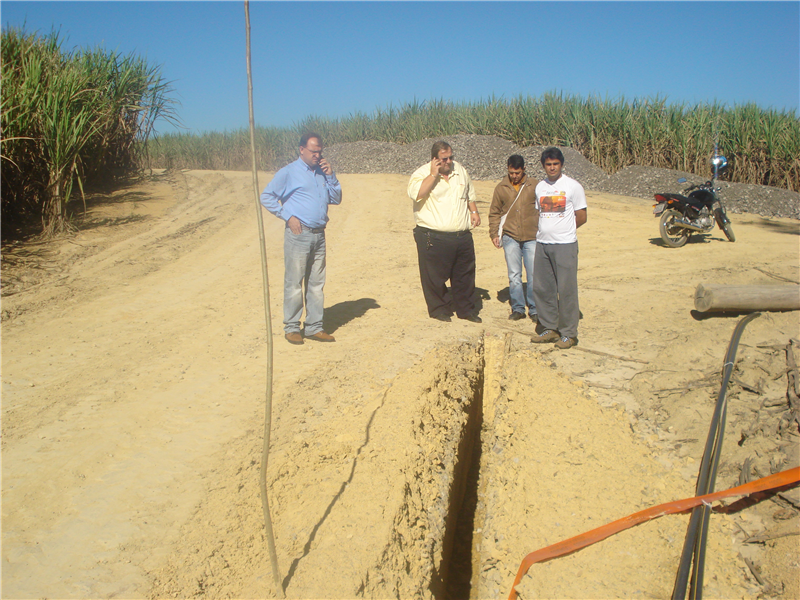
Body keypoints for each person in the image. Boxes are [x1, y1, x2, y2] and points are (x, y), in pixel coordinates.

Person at [260, 132, 342, 345]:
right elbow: (266, 196)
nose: (318, 155)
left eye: (320, 151)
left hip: (319, 235)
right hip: (299, 234)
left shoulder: (322, 173)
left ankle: (314, 327)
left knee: (316, 284)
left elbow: (336, 199)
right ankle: (292, 327)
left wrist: (331, 176)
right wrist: (287, 217)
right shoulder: (288, 172)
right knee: (294, 282)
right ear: (302, 149)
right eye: (314, 151)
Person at [407, 141, 482, 323]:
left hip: (462, 235)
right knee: (434, 276)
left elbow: (469, 194)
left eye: (450, 157)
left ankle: (466, 310)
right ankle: (439, 309)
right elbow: (417, 194)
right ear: (434, 159)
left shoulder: (460, 170)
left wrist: (474, 211)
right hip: (433, 235)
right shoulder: (421, 174)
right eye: (444, 159)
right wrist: (434, 174)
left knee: (464, 275)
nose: (448, 162)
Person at [529, 147, 587, 349]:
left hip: (565, 245)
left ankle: (569, 333)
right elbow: (540, 214)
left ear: (561, 164)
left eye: (555, 164)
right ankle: (550, 328)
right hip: (543, 244)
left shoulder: (573, 187)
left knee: (566, 289)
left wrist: (564, 231)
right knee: (543, 288)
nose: (552, 168)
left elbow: (582, 217)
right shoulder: (540, 187)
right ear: (543, 166)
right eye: (548, 164)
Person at [488, 154, 539, 321]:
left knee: (533, 274)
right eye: (511, 173)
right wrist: (494, 234)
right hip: (510, 236)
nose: (514, 176)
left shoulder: (535, 186)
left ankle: (534, 308)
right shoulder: (500, 188)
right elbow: (494, 213)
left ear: (524, 170)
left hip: (532, 236)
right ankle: (518, 308)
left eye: (517, 173)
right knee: (514, 274)